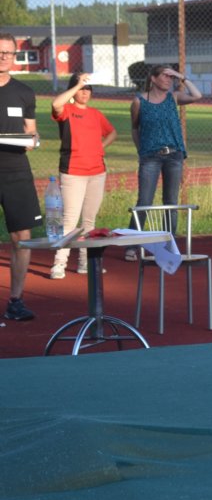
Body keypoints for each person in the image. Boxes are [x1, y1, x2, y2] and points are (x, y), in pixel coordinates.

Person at [124, 65, 202, 261]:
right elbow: (135, 128)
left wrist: (181, 77)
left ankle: (169, 244)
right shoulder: (139, 101)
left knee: (171, 202)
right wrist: (141, 150)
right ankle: (132, 245)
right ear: (153, 78)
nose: (169, 80)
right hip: (150, 156)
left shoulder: (173, 97)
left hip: (174, 155)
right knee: (144, 201)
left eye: (171, 77)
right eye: (166, 76)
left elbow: (197, 95)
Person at [49, 72, 117, 279]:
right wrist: (77, 84)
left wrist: (100, 147)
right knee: (70, 219)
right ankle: (59, 263)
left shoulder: (96, 114)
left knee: (89, 220)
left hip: (97, 172)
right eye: (81, 89)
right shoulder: (67, 110)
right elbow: (56, 104)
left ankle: (85, 263)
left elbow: (112, 133)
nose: (85, 92)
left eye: (88, 89)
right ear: (74, 90)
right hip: (73, 172)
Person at [0, 32, 41, 321]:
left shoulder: (25, 92)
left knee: (21, 238)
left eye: (8, 53)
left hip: (16, 171)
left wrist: (33, 140)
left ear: (15, 56)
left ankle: (16, 300)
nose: (3, 57)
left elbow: (31, 131)